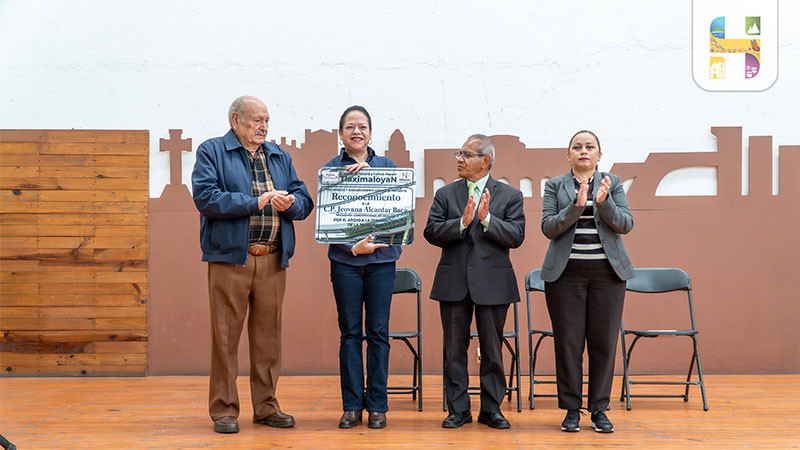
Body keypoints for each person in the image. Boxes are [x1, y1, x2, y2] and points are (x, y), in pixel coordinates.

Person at [191, 95, 313, 434]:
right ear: (235, 120)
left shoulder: (279, 155)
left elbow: (305, 201)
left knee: (268, 340)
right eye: (256, 120)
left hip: (273, 258)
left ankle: (266, 407)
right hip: (231, 260)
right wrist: (254, 201)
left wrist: (290, 204)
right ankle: (225, 410)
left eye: (267, 121)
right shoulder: (212, 151)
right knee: (225, 338)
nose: (263, 127)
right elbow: (206, 197)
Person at [424, 134, 525, 429]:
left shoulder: (509, 196)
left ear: (486, 161)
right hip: (453, 281)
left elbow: (516, 236)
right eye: (459, 153)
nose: (459, 159)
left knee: (492, 350)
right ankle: (459, 410)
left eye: (466, 154)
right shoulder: (445, 194)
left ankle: (491, 409)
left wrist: (487, 220)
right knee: (454, 349)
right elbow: (431, 232)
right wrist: (461, 223)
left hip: (493, 284)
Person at [540, 130, 634, 433]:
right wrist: (577, 205)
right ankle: (571, 408)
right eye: (577, 147)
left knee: (603, 343)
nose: (583, 151)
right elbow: (549, 227)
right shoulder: (555, 185)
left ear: (599, 154)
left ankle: (599, 409)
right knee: (568, 344)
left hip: (608, 276)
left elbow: (625, 224)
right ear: (568, 155)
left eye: (589, 147)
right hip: (565, 276)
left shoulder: (613, 183)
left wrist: (603, 202)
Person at [321, 106, 403, 429]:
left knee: (379, 333)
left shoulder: (387, 167)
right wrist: (350, 247)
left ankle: (378, 406)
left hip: (382, 262)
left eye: (363, 126)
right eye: (350, 127)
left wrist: (372, 181)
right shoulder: (330, 170)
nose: (357, 131)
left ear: (371, 133)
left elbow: (398, 214)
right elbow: (328, 221)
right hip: (345, 262)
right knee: (351, 334)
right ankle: (352, 405)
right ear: (340, 134)